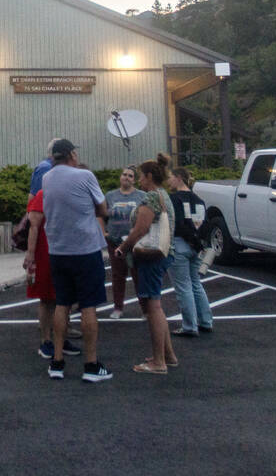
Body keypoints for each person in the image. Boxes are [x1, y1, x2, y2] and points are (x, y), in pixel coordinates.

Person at [42, 138, 112, 383]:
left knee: (62, 304)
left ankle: (57, 362)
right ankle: (91, 366)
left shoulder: (47, 178)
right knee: (88, 306)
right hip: (85, 250)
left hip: (58, 251)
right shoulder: (86, 177)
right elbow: (103, 209)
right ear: (72, 154)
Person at [114, 152, 177, 375]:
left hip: (151, 256)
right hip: (163, 254)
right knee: (156, 305)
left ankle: (158, 362)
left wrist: (123, 247)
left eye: (141, 176)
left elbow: (141, 229)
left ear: (150, 176)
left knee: (153, 306)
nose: (139, 180)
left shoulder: (151, 198)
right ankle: (168, 355)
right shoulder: (163, 195)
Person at [22, 189, 81, 361]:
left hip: (65, 250)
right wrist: (31, 255)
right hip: (45, 252)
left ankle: (60, 340)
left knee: (63, 299)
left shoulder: (69, 193)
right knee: (47, 298)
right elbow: (33, 225)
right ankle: (46, 341)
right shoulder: (43, 194)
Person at [167, 166, 214, 336]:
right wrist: (198, 242)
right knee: (195, 284)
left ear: (179, 177)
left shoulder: (174, 199)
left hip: (180, 244)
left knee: (183, 287)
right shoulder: (198, 200)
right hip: (196, 246)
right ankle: (206, 321)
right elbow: (206, 224)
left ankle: (189, 326)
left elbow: (178, 223)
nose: (168, 181)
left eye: (171, 177)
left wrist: (188, 239)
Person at [103, 166, 147, 319]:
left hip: (135, 242)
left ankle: (145, 309)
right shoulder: (110, 196)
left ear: (134, 179)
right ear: (120, 177)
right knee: (117, 275)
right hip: (114, 241)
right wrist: (104, 233)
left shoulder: (142, 196)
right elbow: (101, 215)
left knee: (138, 275)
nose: (126, 177)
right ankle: (118, 308)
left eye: (130, 175)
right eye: (124, 174)